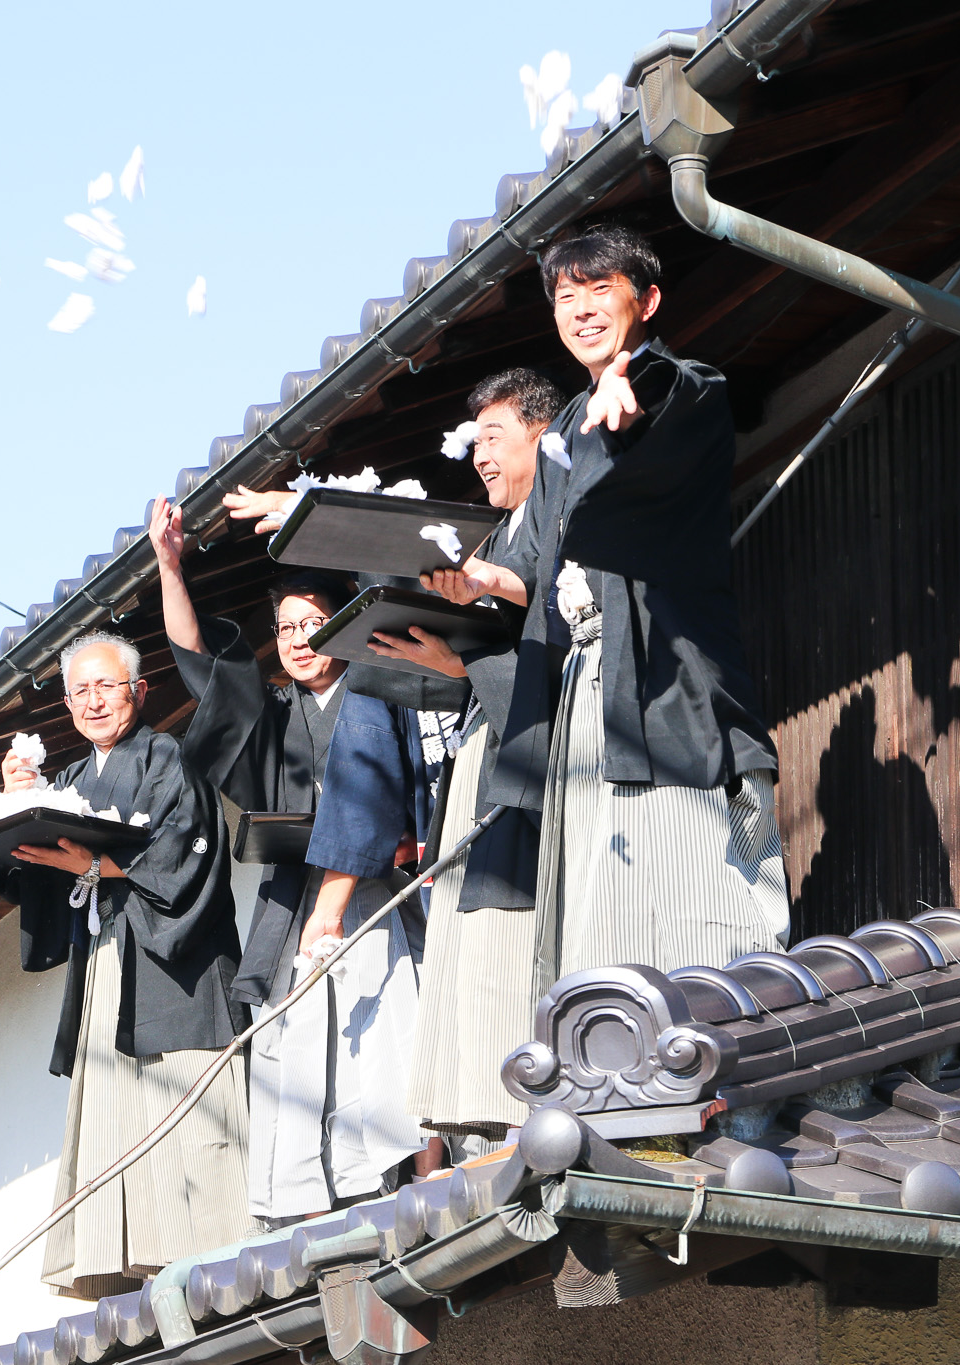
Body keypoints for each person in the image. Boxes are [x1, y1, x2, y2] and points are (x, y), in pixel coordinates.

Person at [426, 221, 789, 990]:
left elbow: (669, 397)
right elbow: (533, 572)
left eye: (601, 288)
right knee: (597, 896)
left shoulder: (681, 386)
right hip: (583, 690)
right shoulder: (561, 431)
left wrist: (633, 398)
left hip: (663, 681)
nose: (581, 307)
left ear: (647, 299)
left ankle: (713, 1047)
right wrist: (478, 581)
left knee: (688, 882)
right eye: (566, 293)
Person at [219, 372, 567, 1151]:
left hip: (541, 755)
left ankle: (517, 1121)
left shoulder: (553, 518)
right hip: (480, 762)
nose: (479, 456)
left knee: (510, 953)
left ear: (543, 433)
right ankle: (493, 1126)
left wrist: (324, 524)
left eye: (494, 438)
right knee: (471, 964)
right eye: (473, 440)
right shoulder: (496, 539)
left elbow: (528, 615)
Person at [147, 497, 428, 1223]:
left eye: (313, 622)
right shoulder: (276, 713)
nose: (300, 640)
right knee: (298, 1054)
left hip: (381, 892)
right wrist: (170, 568)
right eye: (286, 628)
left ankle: (412, 1181)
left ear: (344, 620)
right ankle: (317, 1205)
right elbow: (203, 669)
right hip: (294, 901)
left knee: (390, 1031)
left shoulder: (389, 682)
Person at [0, 631, 251, 1299]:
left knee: (193, 1125)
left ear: (140, 690)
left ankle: (218, 1281)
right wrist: (19, 805)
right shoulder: (73, 782)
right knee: (116, 1122)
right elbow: (33, 874)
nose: (93, 700)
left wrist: (97, 865)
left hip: (178, 973)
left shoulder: (169, 757)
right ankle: (132, 1278)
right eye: (79, 690)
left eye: (107, 685)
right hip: (108, 964)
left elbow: (183, 859)